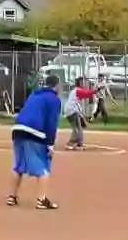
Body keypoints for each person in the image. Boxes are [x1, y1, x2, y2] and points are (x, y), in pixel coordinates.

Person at [8, 74, 63, 210]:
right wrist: (50, 144)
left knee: (19, 165)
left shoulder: (34, 95)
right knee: (43, 166)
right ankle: (41, 199)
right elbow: (51, 122)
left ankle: (12, 196)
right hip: (34, 131)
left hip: (18, 129)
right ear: (56, 86)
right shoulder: (53, 99)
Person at [67, 77, 95, 149]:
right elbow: (87, 94)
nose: (84, 83)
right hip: (73, 111)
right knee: (78, 128)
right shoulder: (77, 90)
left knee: (78, 127)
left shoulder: (76, 90)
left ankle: (76, 142)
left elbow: (86, 94)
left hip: (72, 111)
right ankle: (75, 143)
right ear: (79, 83)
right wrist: (96, 90)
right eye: (82, 82)